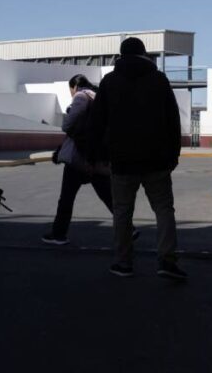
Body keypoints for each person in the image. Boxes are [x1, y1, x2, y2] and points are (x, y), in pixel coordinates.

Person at [90, 37, 186, 280]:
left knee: (122, 212)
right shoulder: (159, 79)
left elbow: (97, 122)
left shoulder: (110, 81)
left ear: (121, 56)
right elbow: (173, 120)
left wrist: (99, 155)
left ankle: (123, 263)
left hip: (121, 160)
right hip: (157, 159)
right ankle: (167, 261)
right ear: (144, 54)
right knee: (164, 209)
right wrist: (173, 154)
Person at [42, 74, 125, 245]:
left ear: (74, 87)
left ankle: (58, 234)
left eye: (70, 90)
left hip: (79, 155)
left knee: (66, 197)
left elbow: (68, 125)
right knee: (108, 197)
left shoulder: (81, 96)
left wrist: (69, 117)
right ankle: (128, 229)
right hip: (96, 154)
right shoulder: (99, 97)